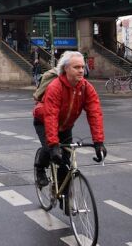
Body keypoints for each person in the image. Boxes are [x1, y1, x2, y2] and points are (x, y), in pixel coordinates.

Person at [33, 51, 106, 187]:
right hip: (44, 120)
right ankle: (40, 168)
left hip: (66, 126)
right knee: (49, 149)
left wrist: (99, 142)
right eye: (76, 67)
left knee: (65, 164)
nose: (81, 71)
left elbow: (95, 114)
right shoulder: (55, 87)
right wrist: (54, 145)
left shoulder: (86, 88)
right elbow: (51, 116)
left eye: (82, 67)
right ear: (66, 68)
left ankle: (64, 196)